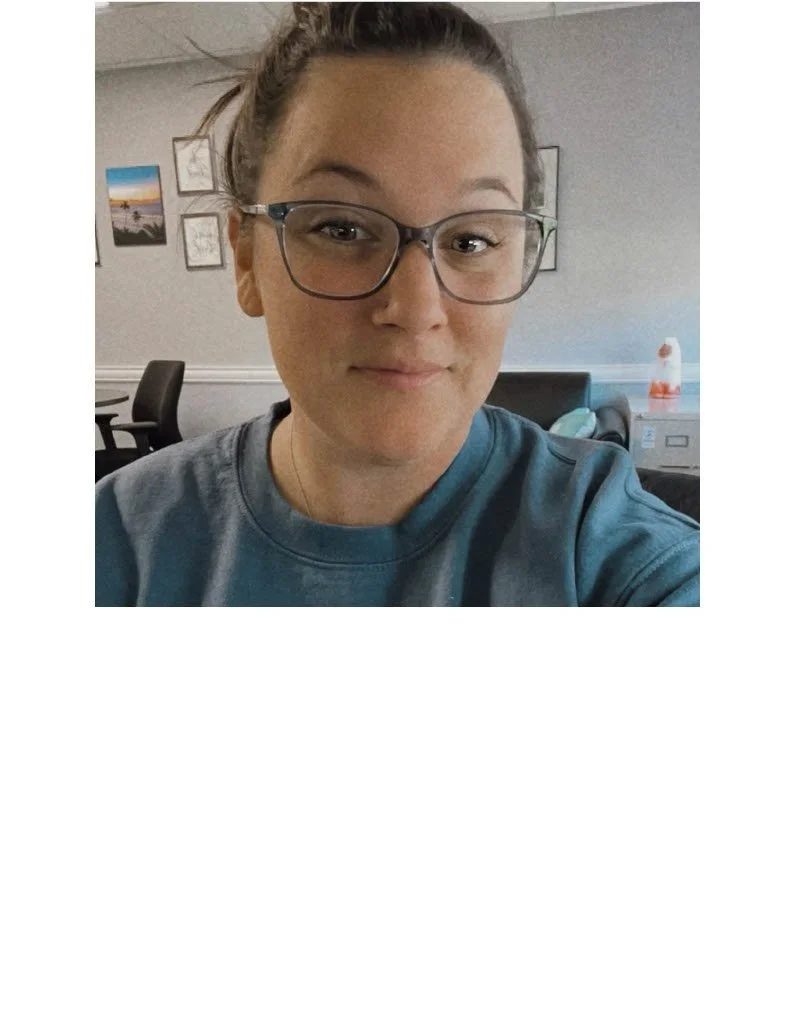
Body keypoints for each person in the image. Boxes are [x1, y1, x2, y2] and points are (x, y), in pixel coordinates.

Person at [95, 1, 699, 607]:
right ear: (247, 259)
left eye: (471, 240)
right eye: (342, 229)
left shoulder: (605, 549)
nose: (415, 308)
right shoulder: (118, 540)